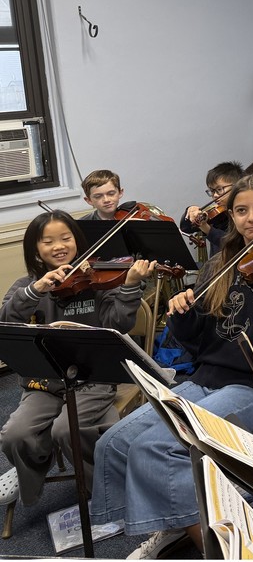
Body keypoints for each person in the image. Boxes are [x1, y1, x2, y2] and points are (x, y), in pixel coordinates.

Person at [89, 175, 253, 559]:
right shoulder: (220, 265)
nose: (251, 218)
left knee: (155, 447)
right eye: (241, 210)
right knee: (116, 442)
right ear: (232, 215)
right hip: (206, 377)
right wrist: (183, 312)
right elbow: (195, 342)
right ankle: (174, 520)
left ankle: (218, 543)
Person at [0, 210, 154, 508]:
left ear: (77, 241)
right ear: (35, 248)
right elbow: (5, 323)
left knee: (65, 429)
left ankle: (106, 492)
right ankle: (29, 468)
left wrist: (131, 284)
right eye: (48, 241)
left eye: (66, 238)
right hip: (43, 381)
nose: (58, 246)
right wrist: (35, 291)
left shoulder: (95, 280)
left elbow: (119, 324)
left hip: (92, 379)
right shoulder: (26, 285)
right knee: (14, 436)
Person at [179, 161, 245, 257]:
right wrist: (190, 212)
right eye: (212, 191)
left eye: (219, 189)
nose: (214, 195)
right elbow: (186, 228)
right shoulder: (218, 214)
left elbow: (234, 245)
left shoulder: (244, 214)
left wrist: (206, 228)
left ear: (236, 187)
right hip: (216, 268)